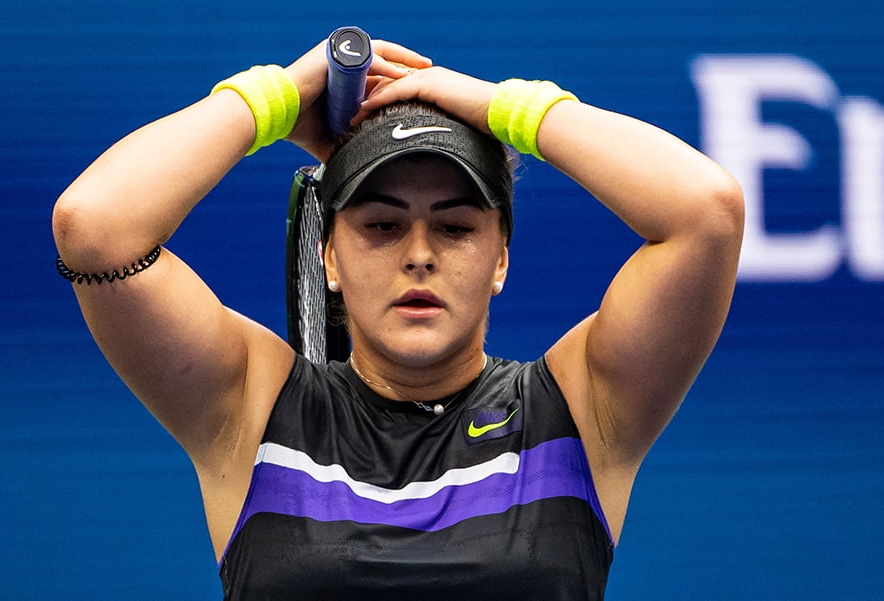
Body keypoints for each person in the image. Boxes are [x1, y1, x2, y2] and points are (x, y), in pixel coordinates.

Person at [52, 34, 743, 600]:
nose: (418, 255)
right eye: (381, 226)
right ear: (326, 256)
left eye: (455, 228)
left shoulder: (580, 406)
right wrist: (280, 96)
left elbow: (706, 211)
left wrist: (500, 106)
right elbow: (96, 225)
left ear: (501, 256)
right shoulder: (250, 406)